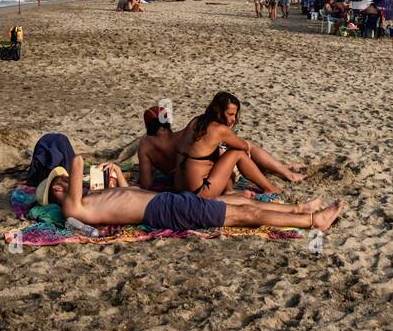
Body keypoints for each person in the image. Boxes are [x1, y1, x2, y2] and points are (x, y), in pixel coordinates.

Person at [40, 155, 341, 234]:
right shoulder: (72, 207)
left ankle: (299, 209)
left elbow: (127, 196)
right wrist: (68, 171)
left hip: (164, 204)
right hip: (165, 211)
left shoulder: (87, 201)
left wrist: (115, 173)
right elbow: (77, 162)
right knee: (244, 215)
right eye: (59, 182)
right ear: (56, 191)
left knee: (233, 204)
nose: (63, 182)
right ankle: (314, 221)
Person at [172, 92, 306, 197]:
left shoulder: (196, 121)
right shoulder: (220, 129)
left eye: (234, 115)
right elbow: (244, 146)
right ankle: (270, 188)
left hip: (178, 187)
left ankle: (280, 172)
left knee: (221, 154)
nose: (233, 119)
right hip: (198, 192)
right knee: (237, 153)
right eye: (230, 114)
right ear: (218, 111)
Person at [137, 105, 181, 189]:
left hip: (172, 186)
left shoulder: (145, 145)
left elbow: (146, 184)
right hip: (187, 182)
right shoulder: (182, 136)